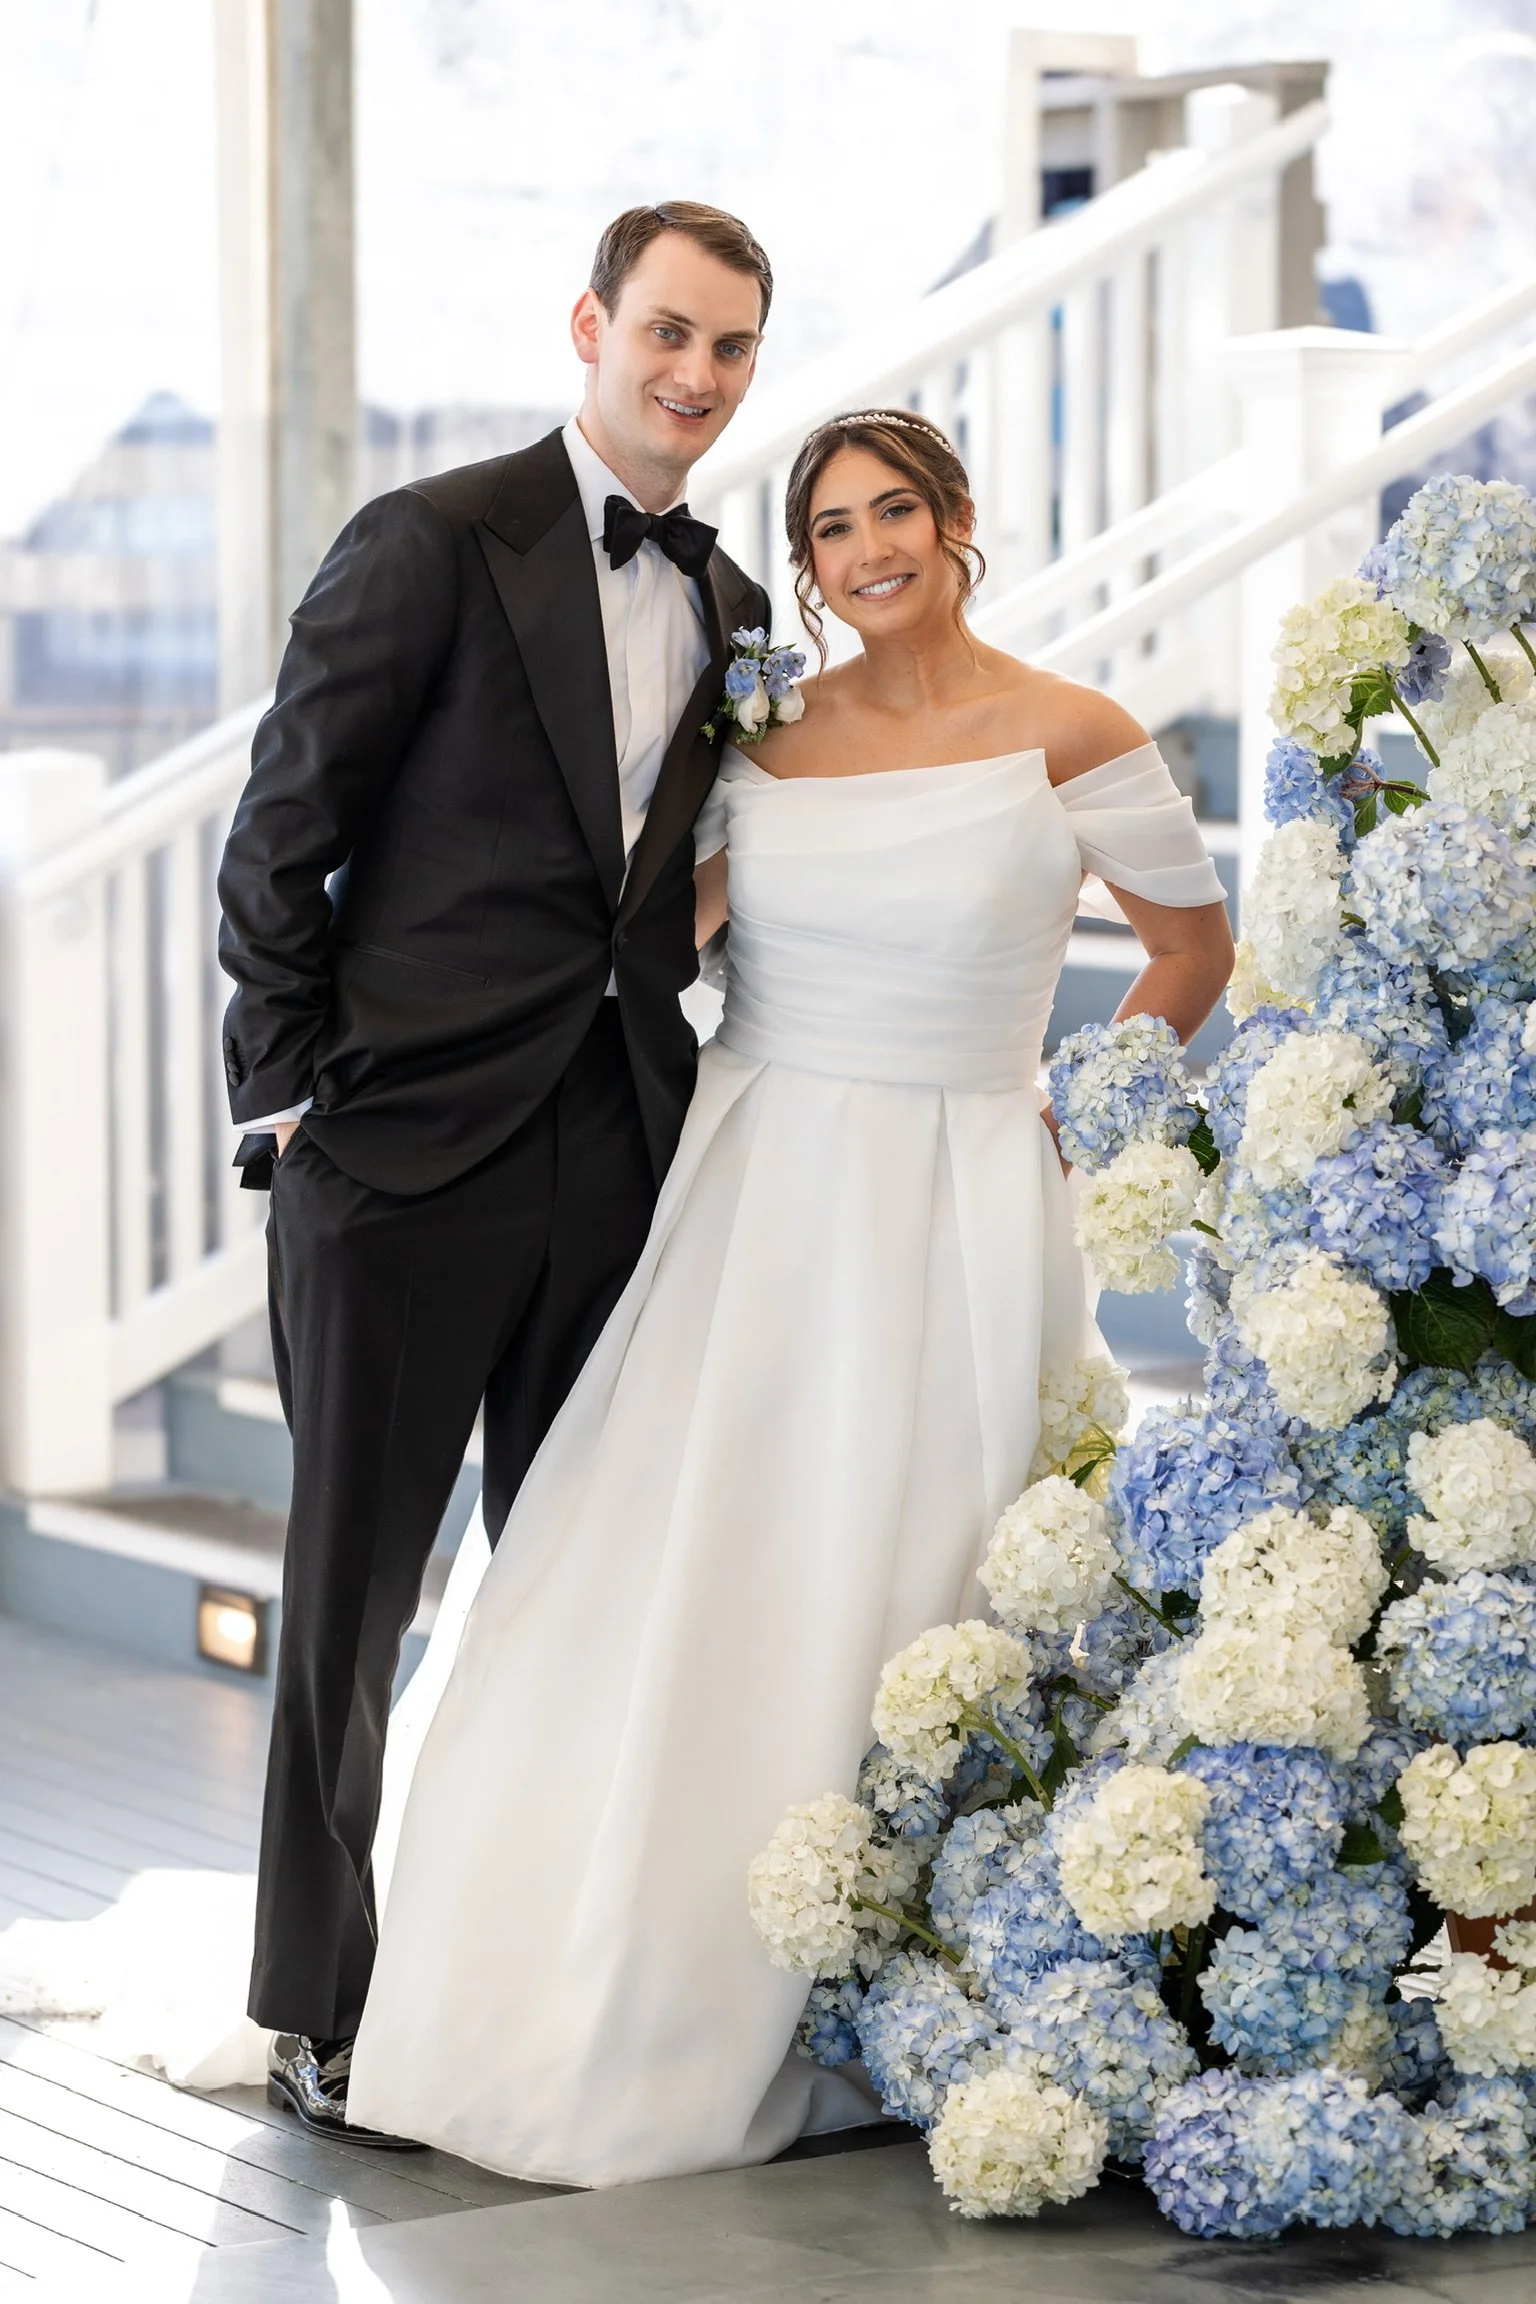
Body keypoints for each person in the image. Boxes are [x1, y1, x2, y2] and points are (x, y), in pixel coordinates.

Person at [343, 408, 1235, 2182]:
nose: (864, 551)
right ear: (807, 565)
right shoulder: (757, 742)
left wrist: (1074, 1109)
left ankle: (928, 1984)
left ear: (956, 520)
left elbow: (1193, 948)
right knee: (701, 1567)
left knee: (923, 1573)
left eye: (892, 510)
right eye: (829, 529)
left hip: (966, 1194)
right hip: (755, 1191)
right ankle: (610, 1971)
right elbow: (635, 935)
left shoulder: (1076, 734)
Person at [215, 200, 774, 2143]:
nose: (695, 377)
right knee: (353, 1602)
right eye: (671, 335)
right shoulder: (437, 540)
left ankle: (526, 1978)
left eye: (731, 350)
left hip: (617, 1144)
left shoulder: (732, 606)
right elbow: (283, 835)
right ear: (592, 325)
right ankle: (321, 2005)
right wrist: (290, 1105)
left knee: (575, 1585)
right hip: (398, 1158)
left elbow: (681, 876)